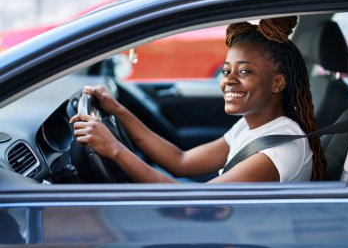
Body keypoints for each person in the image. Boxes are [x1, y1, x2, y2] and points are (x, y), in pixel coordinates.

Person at [70, 16, 326, 183]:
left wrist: (115, 149)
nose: (228, 81)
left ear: (277, 83)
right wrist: (118, 110)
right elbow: (181, 161)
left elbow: (192, 204)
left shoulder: (277, 150)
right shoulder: (253, 126)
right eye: (227, 71)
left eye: (245, 71)